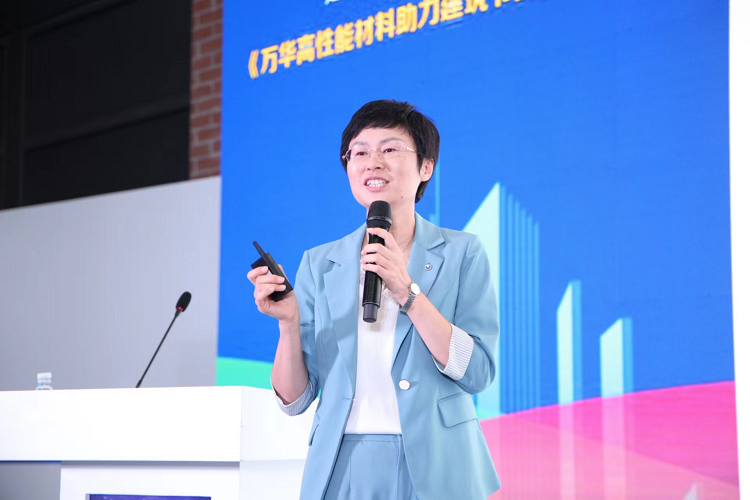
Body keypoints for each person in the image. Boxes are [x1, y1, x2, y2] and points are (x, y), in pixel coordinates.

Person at [247, 100, 501, 500]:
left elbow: (479, 373)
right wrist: (288, 324)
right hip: (342, 465)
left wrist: (408, 293)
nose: (372, 163)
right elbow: (295, 400)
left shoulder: (462, 252)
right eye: (360, 152)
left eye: (390, 149)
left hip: (441, 461)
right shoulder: (320, 263)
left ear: (426, 167)